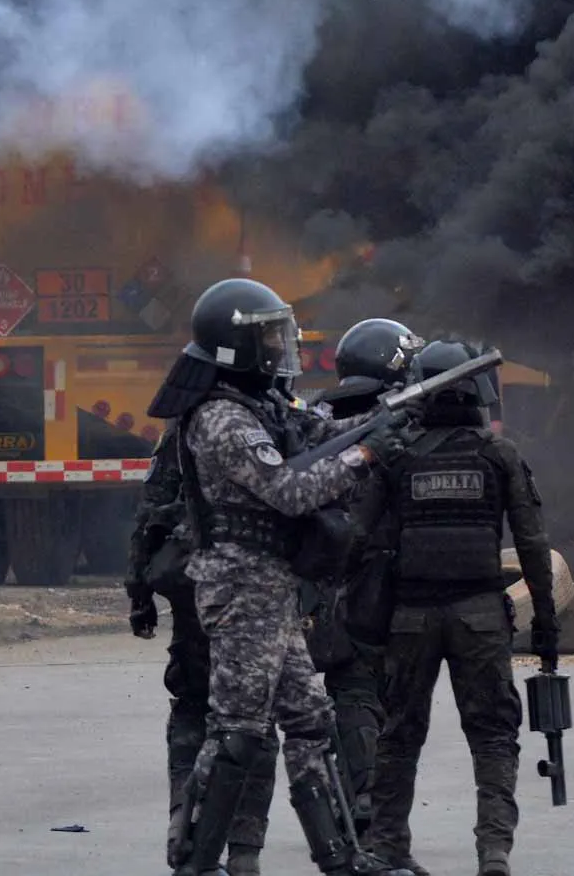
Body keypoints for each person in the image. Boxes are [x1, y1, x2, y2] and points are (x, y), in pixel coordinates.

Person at [158, 277, 422, 876]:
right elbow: (291, 490)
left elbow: (315, 433)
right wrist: (366, 456)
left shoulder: (262, 408)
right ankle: (193, 858)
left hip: (270, 586)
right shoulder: (223, 419)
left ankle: (342, 857)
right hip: (241, 586)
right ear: (238, 346)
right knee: (239, 732)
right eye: (270, 337)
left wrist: (382, 422)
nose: (281, 348)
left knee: (310, 720)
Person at [362, 341, 559, 876]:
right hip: (480, 618)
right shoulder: (499, 455)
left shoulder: (399, 457)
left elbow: (365, 539)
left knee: (398, 736)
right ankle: (493, 853)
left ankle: (388, 849)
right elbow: (533, 544)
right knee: (494, 737)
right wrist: (546, 622)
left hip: (409, 619)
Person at [127, 423, 278, 876]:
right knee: (257, 721)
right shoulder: (270, 425)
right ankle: (244, 848)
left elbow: (150, 515)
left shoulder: (183, 432)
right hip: (258, 589)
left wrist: (139, 594)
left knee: (194, 711)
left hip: (196, 586)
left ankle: (187, 832)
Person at [308, 318, 425, 836]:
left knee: (351, 687)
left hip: (331, 577)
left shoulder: (314, 418)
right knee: (377, 692)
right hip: (391, 576)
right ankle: (371, 799)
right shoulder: (401, 423)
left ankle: (359, 793)